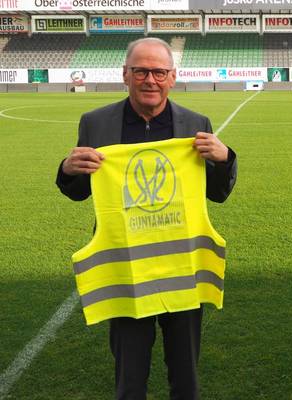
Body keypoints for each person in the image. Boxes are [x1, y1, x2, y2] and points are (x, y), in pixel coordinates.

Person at [56, 37, 237, 400]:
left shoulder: (195, 124)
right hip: (126, 272)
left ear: (173, 77)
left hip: (182, 272)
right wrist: (68, 169)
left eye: (159, 72)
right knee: (129, 381)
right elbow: (80, 191)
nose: (150, 80)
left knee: (185, 380)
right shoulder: (95, 123)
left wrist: (225, 158)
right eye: (141, 71)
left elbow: (217, 193)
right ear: (125, 74)